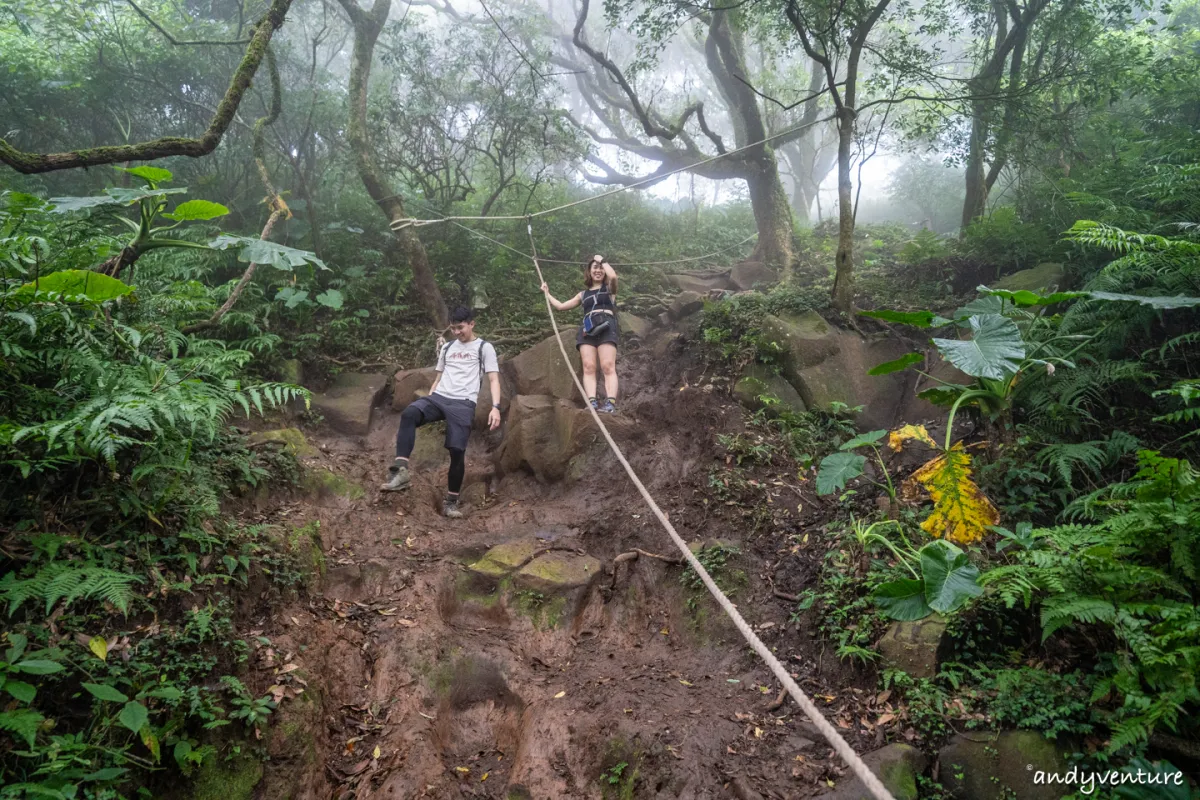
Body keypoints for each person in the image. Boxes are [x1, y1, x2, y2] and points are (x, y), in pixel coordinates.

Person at [380, 306, 501, 518]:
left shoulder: (484, 348)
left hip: (463, 402)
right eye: (453, 328)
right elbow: (438, 378)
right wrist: (429, 398)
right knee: (410, 413)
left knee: (457, 450)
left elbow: (493, 379)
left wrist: (495, 407)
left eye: (460, 327)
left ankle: (451, 502)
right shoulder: (448, 348)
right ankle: (401, 472)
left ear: (472, 324)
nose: (456, 332)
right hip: (440, 397)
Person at [540, 254, 620, 413]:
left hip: (606, 324)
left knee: (607, 365)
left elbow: (614, 276)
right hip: (588, 329)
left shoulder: (609, 289)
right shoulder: (583, 294)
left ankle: (610, 403)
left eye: (600, 268)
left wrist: (602, 260)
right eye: (594, 267)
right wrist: (547, 293)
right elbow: (561, 306)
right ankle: (592, 403)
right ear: (589, 272)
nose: (598, 270)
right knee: (589, 366)